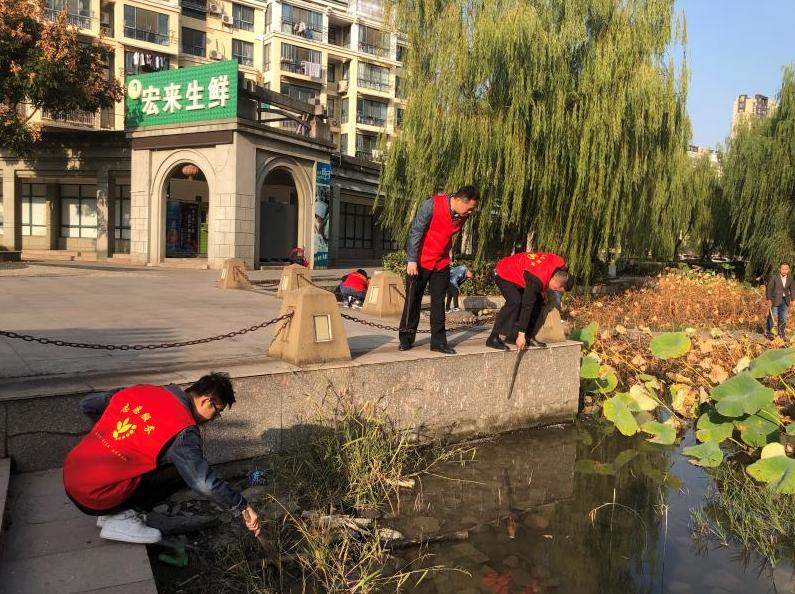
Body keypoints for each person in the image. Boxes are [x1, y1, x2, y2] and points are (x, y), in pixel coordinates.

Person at [62, 372, 261, 544]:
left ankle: (112, 509)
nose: (214, 419)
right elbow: (203, 483)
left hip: (71, 474)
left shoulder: (144, 390)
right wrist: (242, 505)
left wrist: (114, 437)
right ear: (205, 400)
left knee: (162, 459)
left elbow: (87, 404)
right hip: (94, 498)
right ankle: (123, 517)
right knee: (183, 471)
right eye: (217, 412)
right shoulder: (183, 430)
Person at [399, 185, 480, 354]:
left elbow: (447, 235)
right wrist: (411, 260)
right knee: (413, 300)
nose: (471, 212)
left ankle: (438, 342)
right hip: (420, 261)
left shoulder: (463, 214)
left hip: (441, 263)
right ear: (458, 200)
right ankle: (406, 338)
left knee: (438, 303)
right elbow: (416, 230)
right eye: (470, 207)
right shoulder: (432, 204)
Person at [486, 251, 575, 351]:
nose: (553, 291)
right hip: (502, 271)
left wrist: (543, 289)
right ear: (558, 282)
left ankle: (528, 336)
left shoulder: (559, 263)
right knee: (515, 301)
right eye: (555, 289)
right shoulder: (536, 280)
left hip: (522, 272)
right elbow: (526, 306)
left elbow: (544, 266)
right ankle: (493, 337)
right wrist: (521, 335)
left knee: (539, 300)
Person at [766, 261, 792, 342]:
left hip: (785, 300)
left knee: (783, 318)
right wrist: (769, 299)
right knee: (773, 316)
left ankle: (781, 334)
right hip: (775, 300)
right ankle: (770, 334)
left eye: (786, 269)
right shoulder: (774, 277)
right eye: (783, 269)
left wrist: (793, 299)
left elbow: (792, 289)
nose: (784, 270)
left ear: (789, 270)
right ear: (779, 269)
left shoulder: (790, 278)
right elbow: (769, 289)